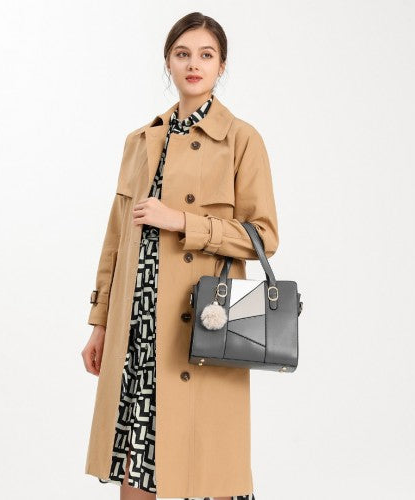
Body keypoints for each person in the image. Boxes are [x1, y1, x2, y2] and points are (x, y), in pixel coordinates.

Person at [81, 11, 279, 500]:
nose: (194, 64)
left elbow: (263, 235)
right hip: (138, 322)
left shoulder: (241, 139)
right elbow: (115, 240)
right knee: (136, 459)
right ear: (168, 61)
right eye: (182, 54)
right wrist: (100, 323)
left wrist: (182, 222)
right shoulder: (140, 142)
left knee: (210, 468)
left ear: (221, 65)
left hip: (201, 322)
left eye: (206, 55)